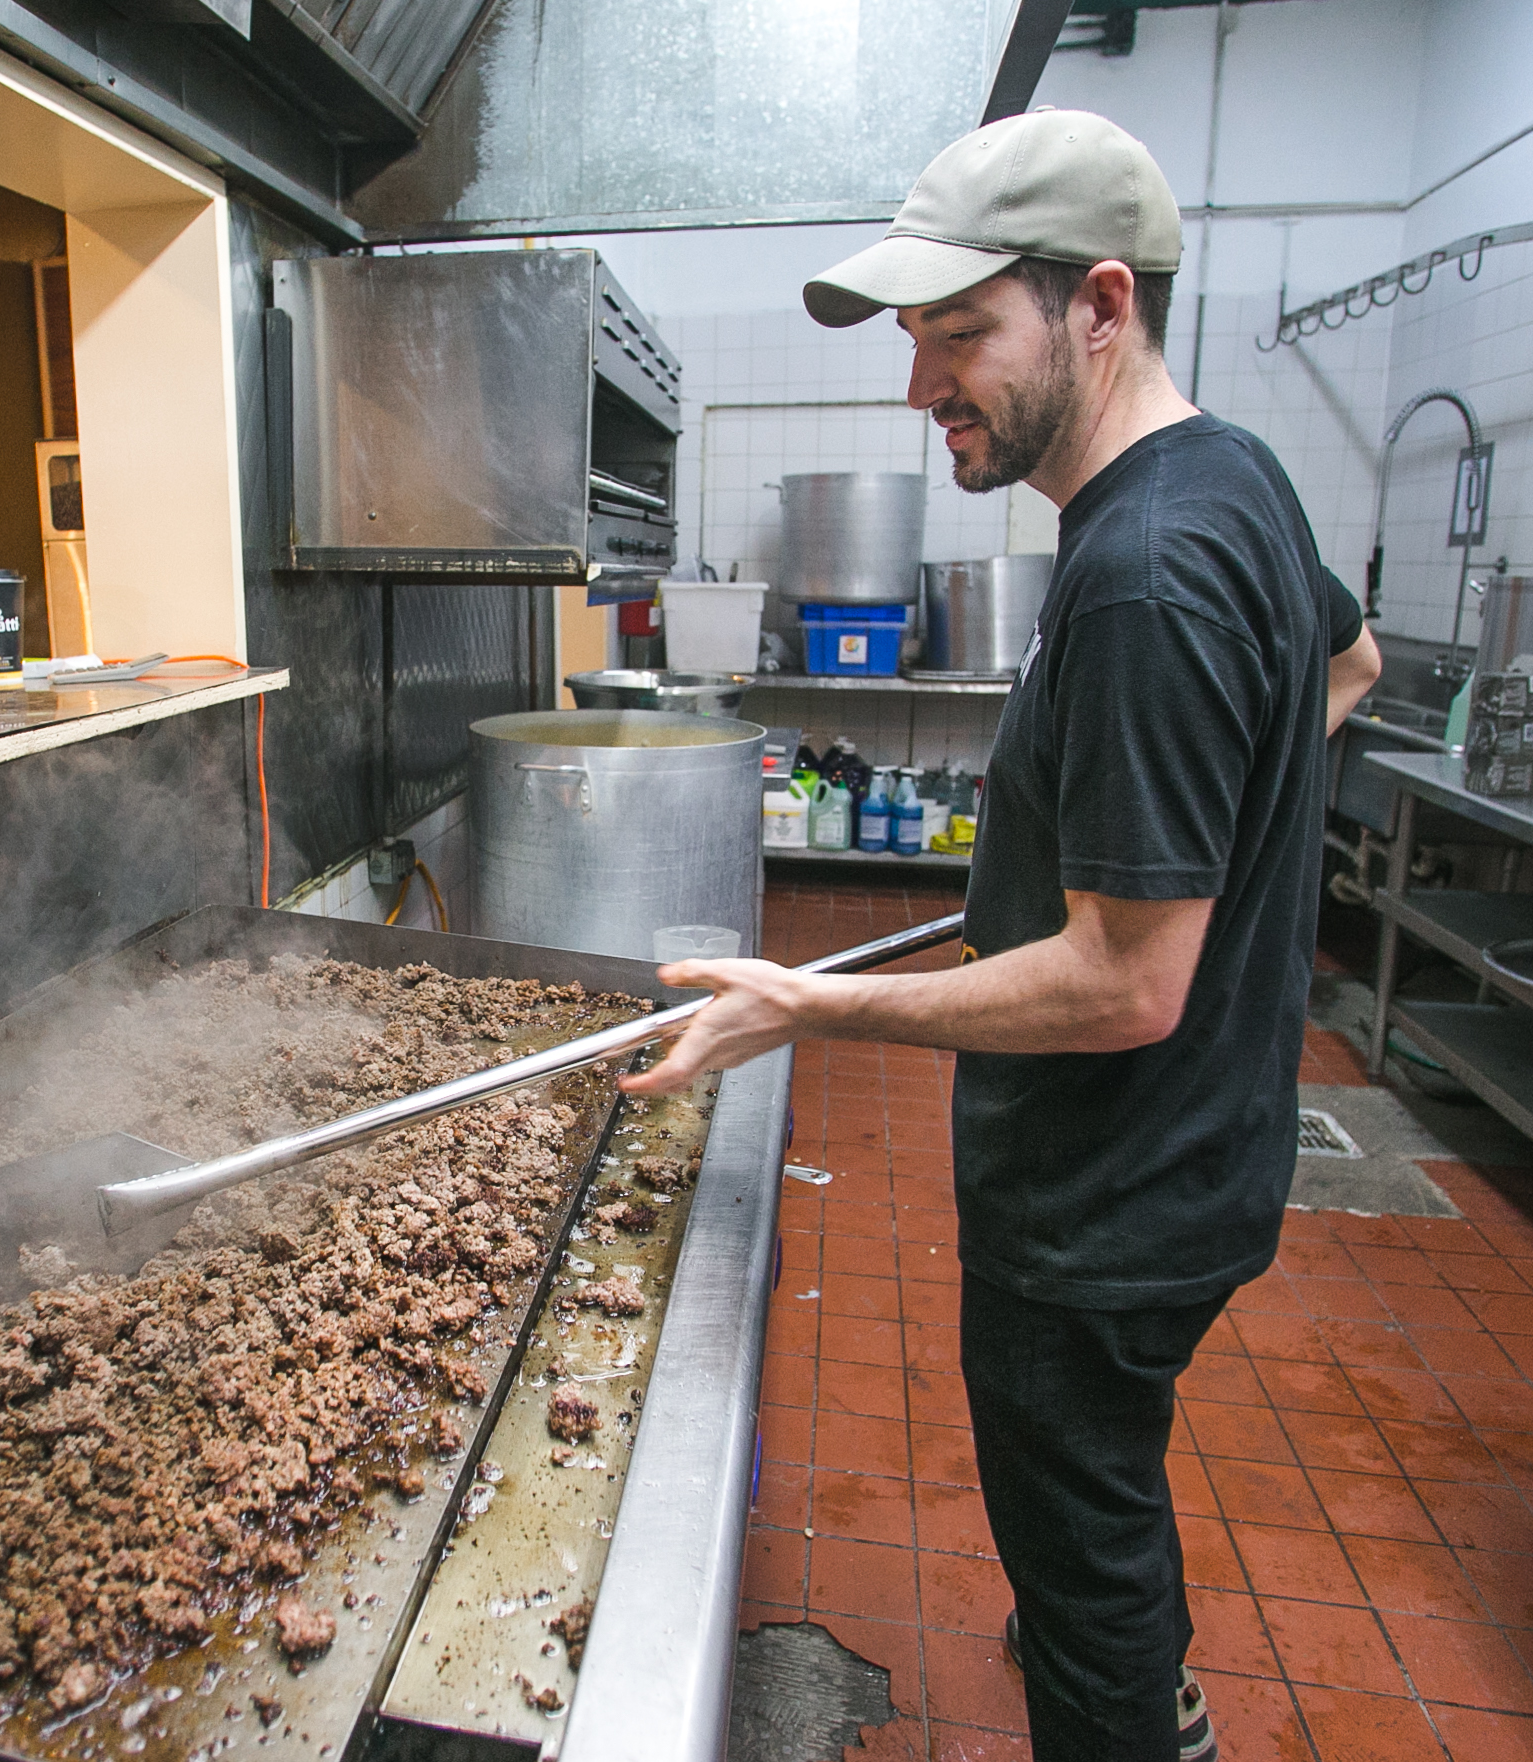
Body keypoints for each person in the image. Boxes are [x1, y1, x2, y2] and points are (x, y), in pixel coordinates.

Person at [622, 109, 1380, 1762]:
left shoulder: (1147, 569)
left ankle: (1126, 1707)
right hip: (1201, 1146)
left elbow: (1123, 983)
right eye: (915, 341)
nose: (922, 389)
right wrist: (1228, 851)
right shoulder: (1231, 477)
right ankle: (1114, 1648)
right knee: (1094, 1491)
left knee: (1077, 1534)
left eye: (959, 336)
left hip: (1103, 1191)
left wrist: (801, 1006)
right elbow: (1346, 666)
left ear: (1098, 305)